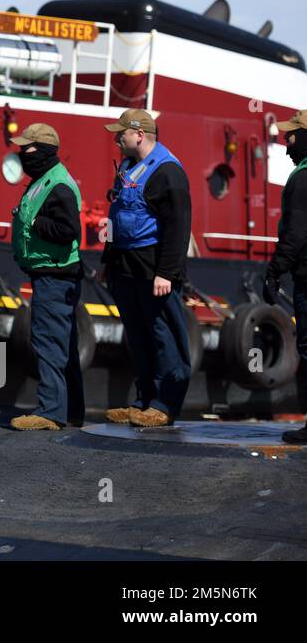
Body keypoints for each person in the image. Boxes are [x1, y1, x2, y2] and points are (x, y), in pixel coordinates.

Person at [100, 108, 192, 427]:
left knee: (163, 335)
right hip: (124, 266)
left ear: (139, 134)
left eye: (120, 133)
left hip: (154, 267)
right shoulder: (126, 167)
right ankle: (143, 400)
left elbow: (178, 227)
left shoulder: (168, 172)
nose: (116, 138)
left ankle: (165, 405)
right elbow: (114, 216)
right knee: (138, 336)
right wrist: (107, 260)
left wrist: (167, 272)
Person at [7, 123, 85, 431]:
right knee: (63, 343)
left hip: (56, 275)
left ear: (44, 151)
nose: (21, 154)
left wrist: (37, 223)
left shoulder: (58, 185)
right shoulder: (44, 179)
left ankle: (51, 411)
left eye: (26, 148)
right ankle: (72, 411)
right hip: (51, 273)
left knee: (48, 341)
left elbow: (68, 231)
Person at [263, 109, 307, 444]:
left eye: (291, 136)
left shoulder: (302, 178)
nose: (285, 142)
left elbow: (295, 233)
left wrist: (274, 272)